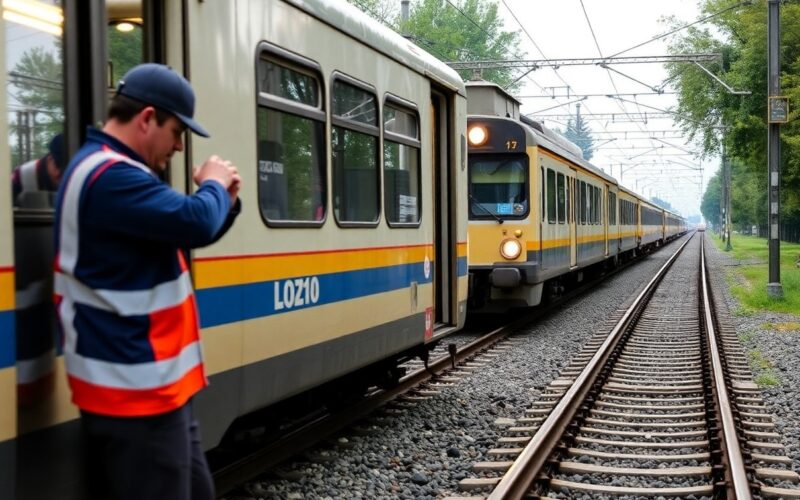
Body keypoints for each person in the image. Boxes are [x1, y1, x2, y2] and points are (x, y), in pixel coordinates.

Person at [53, 63, 241, 500]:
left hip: (153, 388)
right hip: (136, 393)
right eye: (177, 132)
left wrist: (225, 203)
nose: (178, 146)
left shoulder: (106, 170)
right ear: (146, 118)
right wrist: (212, 185)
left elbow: (190, 229)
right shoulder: (110, 176)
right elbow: (194, 220)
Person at [11, 133, 66, 205]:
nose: (58, 173)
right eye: (58, 165)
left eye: (65, 170)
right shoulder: (20, 176)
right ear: (50, 159)